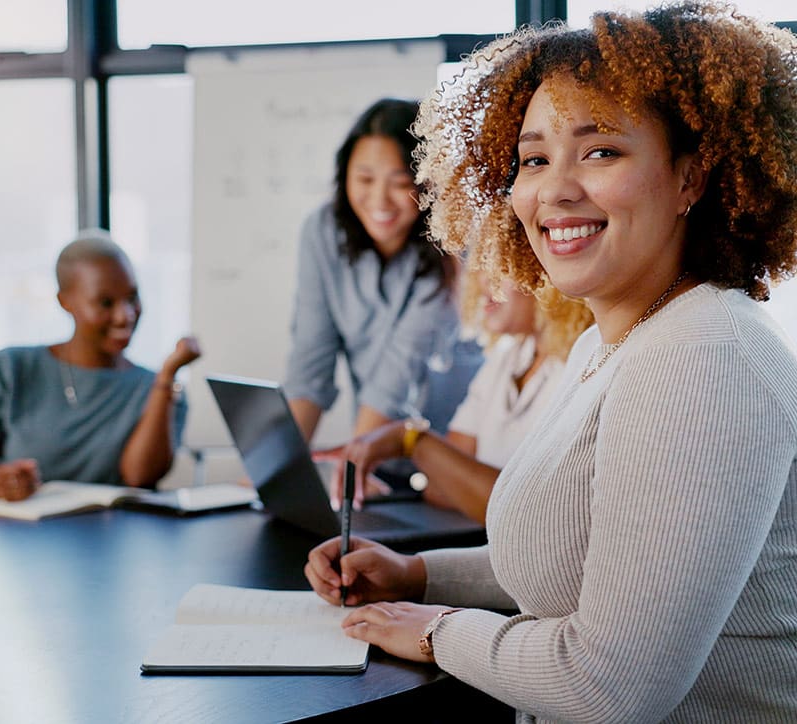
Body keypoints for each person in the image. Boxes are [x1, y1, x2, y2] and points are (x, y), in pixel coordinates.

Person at [304, 3, 797, 721]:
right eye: (533, 159)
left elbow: (610, 687)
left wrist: (438, 633)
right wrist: (418, 575)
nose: (554, 189)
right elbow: (583, 564)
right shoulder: (616, 342)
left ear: (692, 177)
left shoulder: (704, 360)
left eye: (600, 151)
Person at [317, 274, 593, 521]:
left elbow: (532, 515)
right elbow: (439, 489)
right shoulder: (507, 357)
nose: (484, 281)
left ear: (546, 276)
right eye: (483, 266)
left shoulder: (587, 366)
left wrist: (412, 439)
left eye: (501, 268)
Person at [283, 98, 461, 445]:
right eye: (364, 178)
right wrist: (272, 472)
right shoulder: (322, 232)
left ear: (427, 183)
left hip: (446, 453)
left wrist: (354, 466)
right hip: (373, 449)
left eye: (399, 182)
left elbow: (400, 368)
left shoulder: (451, 240)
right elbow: (309, 363)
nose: (380, 200)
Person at [0, 229, 201, 500]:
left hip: (115, 536)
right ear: (65, 302)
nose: (124, 316)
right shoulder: (13, 368)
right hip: (22, 534)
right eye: (105, 303)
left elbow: (140, 477)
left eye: (132, 298)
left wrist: (167, 375)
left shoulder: (159, 389)